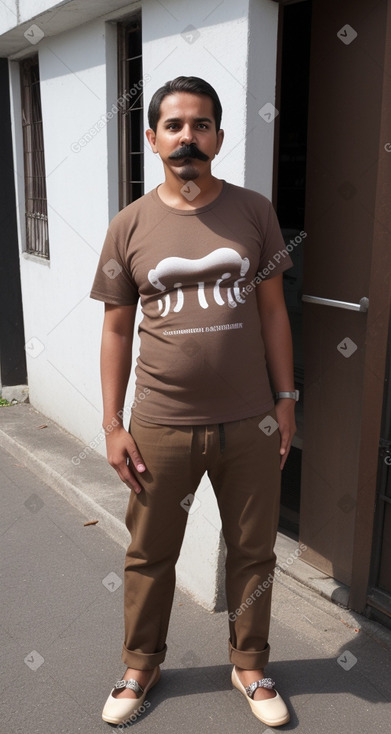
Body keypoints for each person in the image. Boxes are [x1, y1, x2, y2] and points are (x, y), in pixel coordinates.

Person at [90, 76, 296, 728]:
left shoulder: (254, 213)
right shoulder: (129, 226)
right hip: (159, 426)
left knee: (253, 551)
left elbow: (272, 313)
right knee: (150, 554)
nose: (188, 137)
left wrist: (285, 399)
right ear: (151, 139)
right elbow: (117, 330)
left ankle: (250, 664)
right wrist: (112, 422)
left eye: (200, 125)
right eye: (174, 126)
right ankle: (138, 666)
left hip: (250, 420)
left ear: (219, 137)